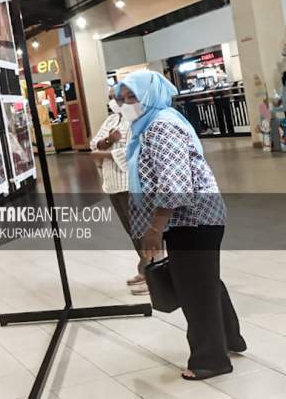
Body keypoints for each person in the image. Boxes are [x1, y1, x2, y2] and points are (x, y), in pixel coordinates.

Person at [115, 71, 245, 381]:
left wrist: (154, 229)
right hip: (191, 220)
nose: (125, 104)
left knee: (194, 289)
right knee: (204, 281)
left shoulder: (162, 126)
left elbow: (176, 185)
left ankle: (210, 359)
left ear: (149, 95)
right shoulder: (148, 125)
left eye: (132, 97)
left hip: (193, 220)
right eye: (122, 98)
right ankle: (230, 339)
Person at [89, 87, 147, 294]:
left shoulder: (137, 118)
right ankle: (144, 268)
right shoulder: (112, 120)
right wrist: (108, 141)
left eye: (118, 98)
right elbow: (94, 144)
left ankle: (154, 275)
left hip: (131, 183)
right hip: (113, 183)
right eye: (111, 98)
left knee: (143, 229)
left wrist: (106, 154)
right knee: (131, 229)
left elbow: (136, 148)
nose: (114, 101)